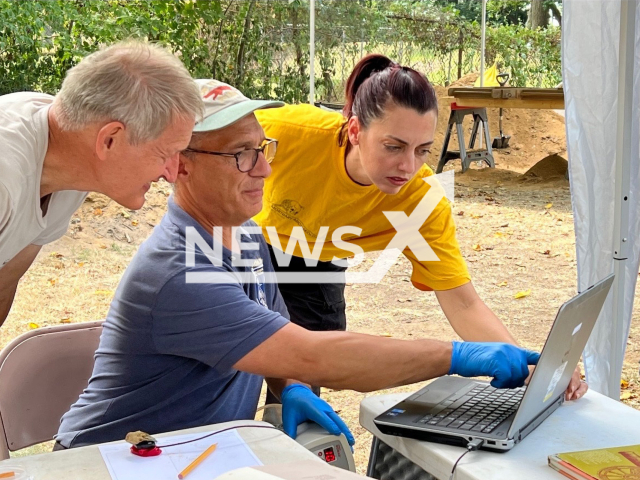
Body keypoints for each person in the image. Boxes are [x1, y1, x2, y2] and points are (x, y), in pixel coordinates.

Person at [56, 80, 540, 450]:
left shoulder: (244, 232)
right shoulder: (179, 272)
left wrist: (288, 386)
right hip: (115, 461)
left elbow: (278, 336)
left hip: (196, 452)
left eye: (262, 150)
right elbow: (310, 354)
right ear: (178, 164)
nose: (265, 169)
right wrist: (457, 356)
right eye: (243, 156)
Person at [254, 54, 587, 403]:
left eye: (422, 151)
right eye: (393, 147)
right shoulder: (287, 132)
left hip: (317, 263)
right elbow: (206, 140)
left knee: (302, 382)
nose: (407, 166)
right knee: (233, 371)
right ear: (355, 131)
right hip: (246, 247)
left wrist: (532, 365)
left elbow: (463, 303)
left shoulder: (423, 201)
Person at [0, 41, 203, 327]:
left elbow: (5, 281)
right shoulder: (5, 177)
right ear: (110, 139)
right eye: (165, 153)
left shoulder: (72, 158)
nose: (172, 174)